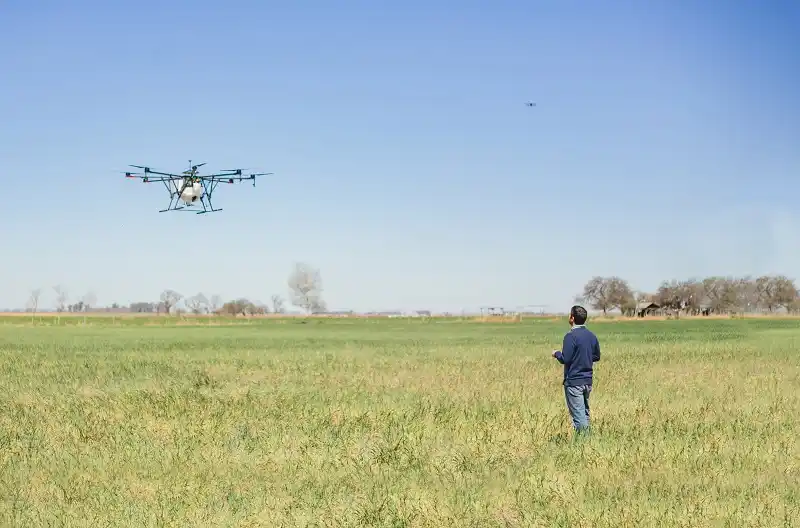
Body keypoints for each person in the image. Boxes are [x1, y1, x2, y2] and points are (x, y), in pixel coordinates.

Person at [552, 305, 600, 436]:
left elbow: (565, 359)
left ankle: (584, 441)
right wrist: (583, 357)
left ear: (572, 318)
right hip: (587, 381)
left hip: (574, 381)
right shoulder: (591, 336)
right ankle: (586, 439)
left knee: (578, 415)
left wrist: (556, 353)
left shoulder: (570, 336)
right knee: (584, 412)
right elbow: (596, 356)